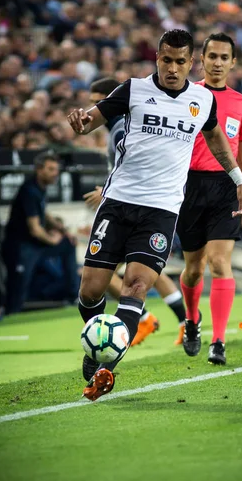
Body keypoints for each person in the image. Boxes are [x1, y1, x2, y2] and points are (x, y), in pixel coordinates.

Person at [67, 29, 242, 401]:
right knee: (91, 291)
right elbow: (93, 117)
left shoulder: (201, 99)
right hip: (119, 203)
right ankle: (97, 344)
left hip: (163, 209)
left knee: (138, 286)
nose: (172, 68)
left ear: (191, 63)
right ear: (157, 58)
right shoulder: (133, 89)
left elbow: (216, 138)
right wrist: (80, 121)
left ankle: (105, 367)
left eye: (180, 62)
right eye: (166, 60)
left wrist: (239, 180)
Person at [176, 32, 242, 365]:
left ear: (232, 62)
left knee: (219, 263)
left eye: (223, 57)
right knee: (193, 271)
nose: (217, 62)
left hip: (227, 187)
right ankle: (191, 319)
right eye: (211, 56)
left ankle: (219, 341)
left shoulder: (241, 103)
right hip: (188, 187)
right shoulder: (187, 94)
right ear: (201, 58)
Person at [83, 76, 187, 349]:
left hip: (138, 207)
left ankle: (147, 318)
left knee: (111, 278)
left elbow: (132, 167)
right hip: (139, 204)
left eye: (99, 103)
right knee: (142, 273)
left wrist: (105, 191)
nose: (94, 109)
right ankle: (175, 320)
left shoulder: (119, 127)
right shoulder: (119, 126)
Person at [1, 150, 80, 314]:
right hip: (21, 246)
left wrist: (63, 231)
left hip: (35, 246)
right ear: (39, 169)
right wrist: (53, 240)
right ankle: (11, 315)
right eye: (50, 169)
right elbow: (35, 229)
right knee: (18, 289)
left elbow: (43, 213)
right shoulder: (29, 191)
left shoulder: (40, 188)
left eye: (56, 170)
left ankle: (73, 296)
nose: (55, 174)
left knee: (68, 244)